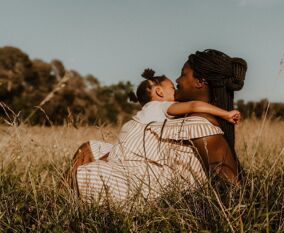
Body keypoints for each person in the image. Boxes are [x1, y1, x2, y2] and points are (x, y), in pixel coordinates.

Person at [69, 49, 247, 203]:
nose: (177, 80)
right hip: (146, 164)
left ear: (199, 82)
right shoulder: (178, 115)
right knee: (89, 148)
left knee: (88, 172)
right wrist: (111, 155)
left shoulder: (202, 126)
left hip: (157, 186)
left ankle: (61, 207)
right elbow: (142, 143)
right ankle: (66, 201)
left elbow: (231, 185)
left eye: (183, 74)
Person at [129, 68, 241, 125]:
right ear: (159, 92)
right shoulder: (162, 106)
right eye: (172, 87)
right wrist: (226, 114)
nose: (175, 89)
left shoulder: (148, 110)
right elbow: (194, 105)